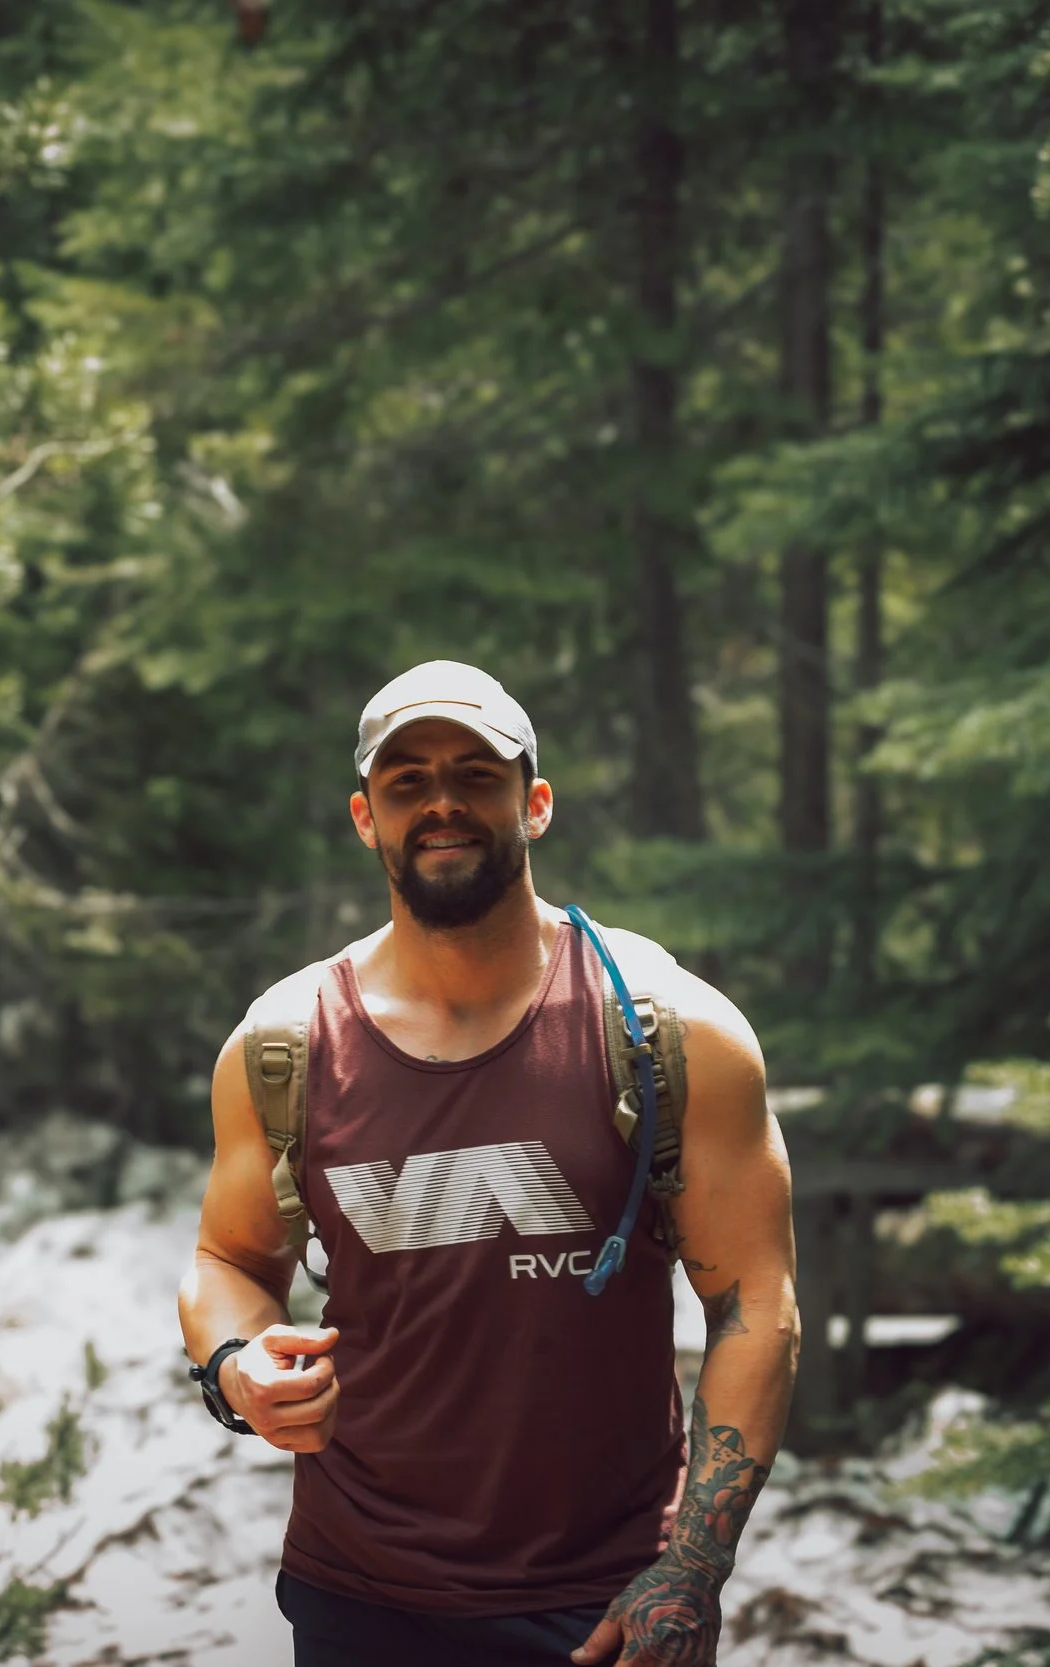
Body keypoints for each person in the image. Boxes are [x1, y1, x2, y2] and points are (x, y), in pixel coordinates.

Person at [176, 660, 800, 1667]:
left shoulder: (668, 1031)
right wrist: (235, 1364)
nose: (441, 802)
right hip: (357, 1596)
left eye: (475, 772)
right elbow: (226, 1260)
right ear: (364, 817)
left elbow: (754, 1303)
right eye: (407, 780)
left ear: (535, 802)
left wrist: (692, 1567)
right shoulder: (285, 1044)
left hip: (603, 1604)